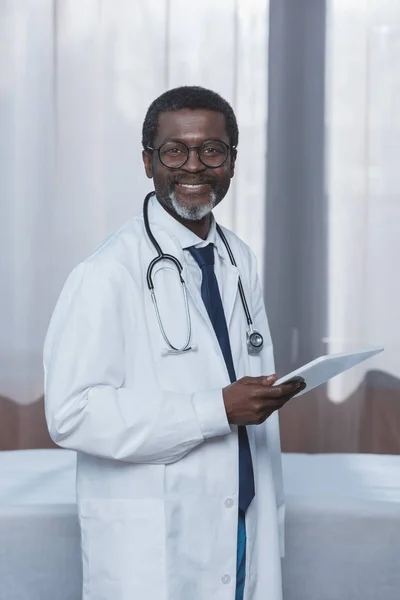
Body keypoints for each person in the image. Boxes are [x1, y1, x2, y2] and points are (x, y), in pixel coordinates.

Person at [44, 86, 305, 600]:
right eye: (174, 150)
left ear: (231, 161)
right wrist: (215, 410)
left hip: (240, 513)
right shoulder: (106, 273)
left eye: (212, 150)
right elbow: (71, 413)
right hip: (156, 543)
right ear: (148, 162)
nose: (194, 166)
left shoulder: (238, 258)